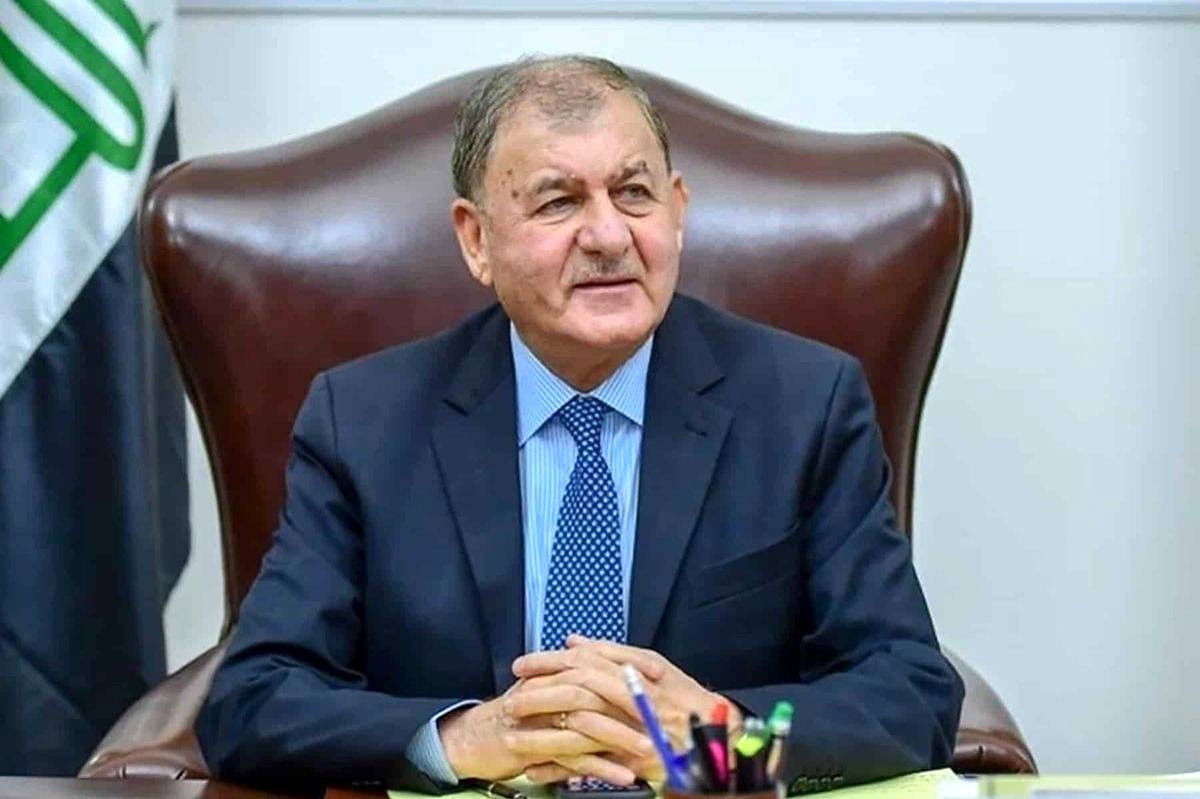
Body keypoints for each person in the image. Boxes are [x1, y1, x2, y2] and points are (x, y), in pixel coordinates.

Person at [195, 55, 964, 794]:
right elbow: (254, 697)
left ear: (678, 211)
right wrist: (459, 739)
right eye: (559, 201)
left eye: (634, 193)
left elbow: (910, 691)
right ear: (476, 239)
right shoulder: (363, 422)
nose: (608, 235)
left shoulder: (805, 406)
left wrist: (723, 745)